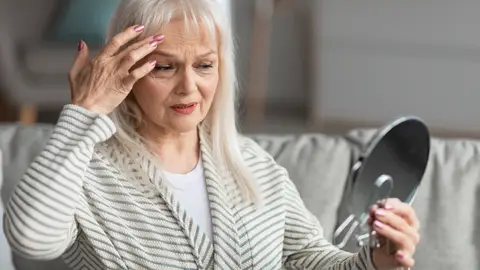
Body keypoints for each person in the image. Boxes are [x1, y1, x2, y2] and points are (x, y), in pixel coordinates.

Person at [3, 0, 420, 269]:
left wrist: (375, 261)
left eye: (204, 65)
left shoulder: (252, 164)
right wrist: (85, 111)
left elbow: (307, 258)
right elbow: (32, 239)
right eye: (164, 67)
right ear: (125, 69)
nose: (189, 88)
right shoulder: (86, 169)